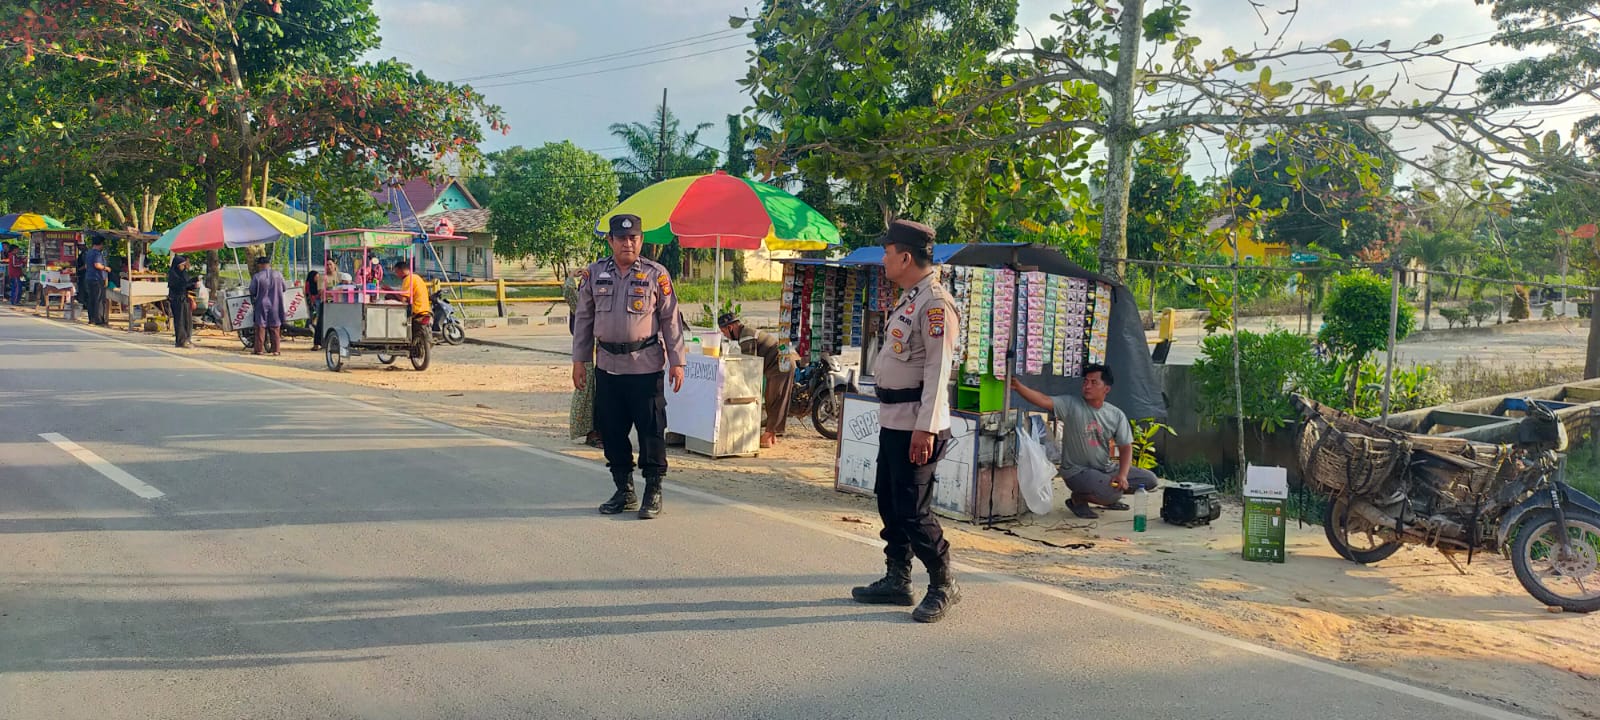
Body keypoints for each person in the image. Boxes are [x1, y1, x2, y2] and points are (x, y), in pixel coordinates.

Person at [850, 219, 962, 624]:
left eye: (886, 252)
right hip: (894, 419)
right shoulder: (911, 298)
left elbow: (937, 369)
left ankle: (944, 582)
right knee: (889, 501)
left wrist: (926, 427)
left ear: (905, 256)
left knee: (914, 510)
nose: (883, 259)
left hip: (918, 423)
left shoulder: (934, 302)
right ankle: (898, 577)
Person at [571, 214, 686, 519]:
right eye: (621, 238)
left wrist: (678, 362)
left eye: (633, 237)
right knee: (611, 432)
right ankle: (624, 491)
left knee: (651, 432)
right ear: (610, 241)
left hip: (645, 368)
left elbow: (670, 320)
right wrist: (579, 361)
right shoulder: (595, 275)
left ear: (641, 240)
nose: (628, 243)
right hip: (607, 368)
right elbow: (583, 319)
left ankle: (653, 491)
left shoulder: (655, 274)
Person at [1010, 365, 1159, 519]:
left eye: (1094, 382)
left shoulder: (1115, 414)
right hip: (1077, 471)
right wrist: (1019, 387)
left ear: (1106, 389)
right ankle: (1079, 499)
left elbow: (1125, 447)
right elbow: (1043, 400)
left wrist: (1122, 475)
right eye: (1085, 382)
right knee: (1111, 493)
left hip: (1105, 469)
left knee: (1149, 480)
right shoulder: (1071, 405)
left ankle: (1105, 493)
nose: (1087, 386)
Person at [718, 311, 799, 448]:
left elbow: (750, 366)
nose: (724, 335)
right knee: (773, 399)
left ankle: (768, 435)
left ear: (730, 328)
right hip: (781, 363)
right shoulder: (747, 333)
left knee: (775, 399)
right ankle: (771, 435)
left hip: (780, 366)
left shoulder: (746, 337)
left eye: (723, 331)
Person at [564, 273, 602, 448]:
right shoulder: (582, 302)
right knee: (589, 393)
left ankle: (600, 432)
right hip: (589, 354)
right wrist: (571, 277)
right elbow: (568, 291)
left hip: (606, 353)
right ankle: (592, 433)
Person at [248, 256, 287, 355]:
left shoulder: (257, 277)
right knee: (275, 326)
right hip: (276, 303)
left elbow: (252, 290)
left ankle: (259, 350)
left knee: (260, 326)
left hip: (261, 303)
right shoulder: (278, 275)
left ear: (260, 265)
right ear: (269, 264)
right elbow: (284, 288)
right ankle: (276, 350)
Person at [391, 259, 431, 341]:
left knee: (394, 318)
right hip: (425, 308)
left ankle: (396, 339)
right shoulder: (416, 277)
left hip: (416, 309)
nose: (396, 274)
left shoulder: (408, 279)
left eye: (396, 272)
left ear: (401, 270)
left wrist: (391, 291)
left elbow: (403, 299)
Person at [166, 256, 199, 348]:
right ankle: (181, 341)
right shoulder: (173, 275)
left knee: (187, 320)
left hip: (184, 298)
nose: (183, 267)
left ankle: (187, 339)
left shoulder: (183, 273)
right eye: (182, 265)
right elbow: (180, 285)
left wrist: (194, 282)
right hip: (177, 299)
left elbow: (186, 283)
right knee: (180, 320)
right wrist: (191, 284)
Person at [81, 237, 110, 326]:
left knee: (91, 299)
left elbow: (86, 266)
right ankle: (98, 320)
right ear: (100, 244)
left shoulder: (89, 253)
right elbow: (97, 265)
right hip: (97, 278)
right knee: (99, 299)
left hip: (89, 278)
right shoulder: (97, 254)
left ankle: (91, 319)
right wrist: (106, 268)